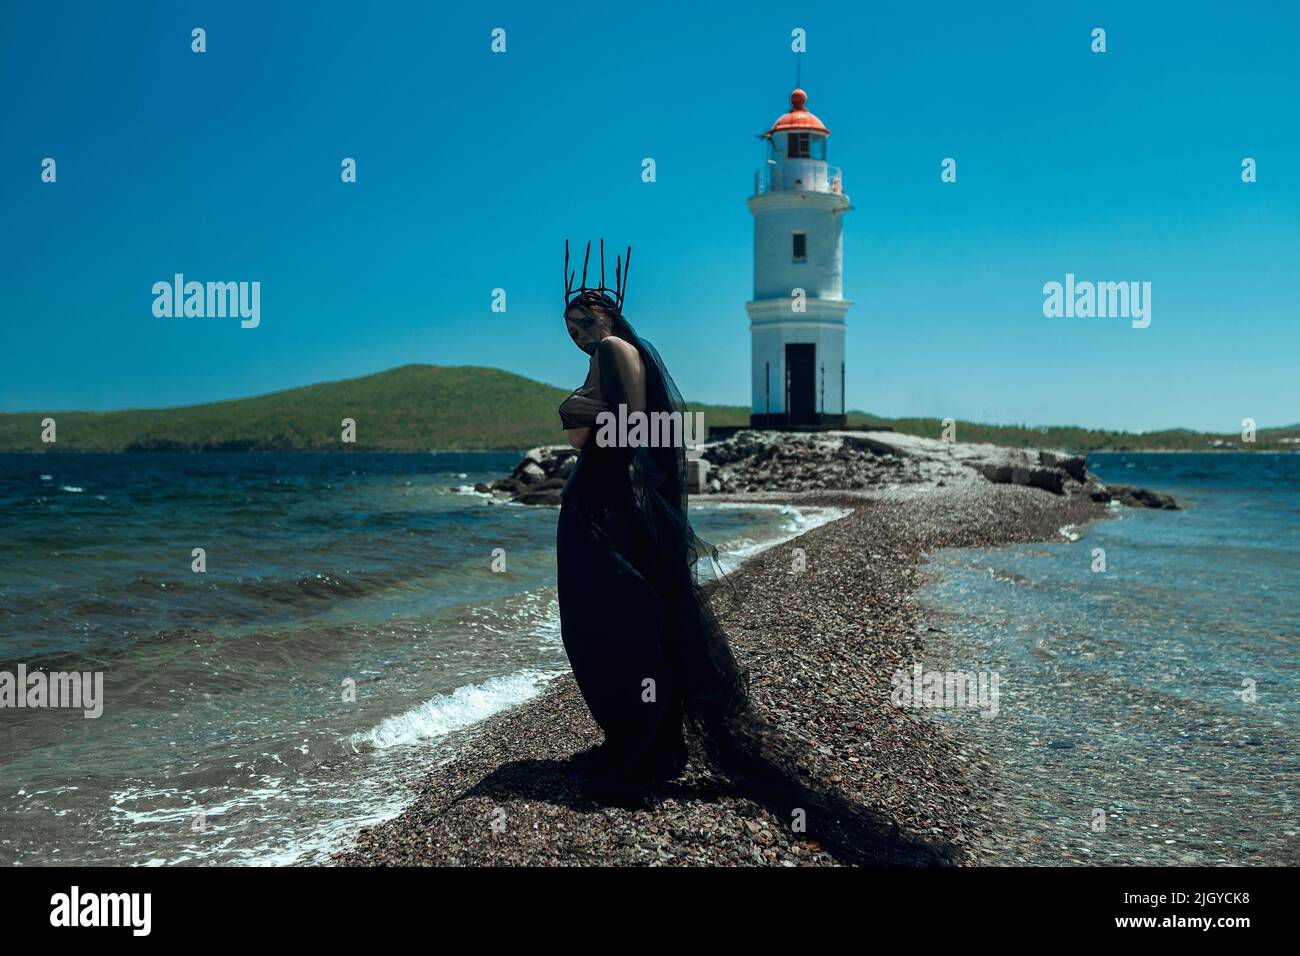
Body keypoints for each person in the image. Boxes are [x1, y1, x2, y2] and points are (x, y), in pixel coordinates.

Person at [554, 240, 955, 865]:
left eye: (579, 322)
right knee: (621, 622)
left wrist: (574, 410)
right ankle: (644, 743)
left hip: (607, 506)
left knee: (606, 622)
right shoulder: (616, 353)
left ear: (600, 315)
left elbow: (622, 429)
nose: (575, 334)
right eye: (569, 327)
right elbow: (616, 426)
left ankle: (640, 751)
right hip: (607, 502)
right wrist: (580, 409)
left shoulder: (611, 351)